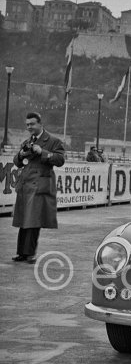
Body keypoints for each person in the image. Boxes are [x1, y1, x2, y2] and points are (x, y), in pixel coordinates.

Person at [12, 112, 65, 263]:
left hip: (39, 184)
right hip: (26, 184)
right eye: (27, 124)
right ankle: (21, 252)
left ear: (40, 124)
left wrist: (43, 152)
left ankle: (29, 253)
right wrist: (21, 155)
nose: (29, 127)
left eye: (32, 124)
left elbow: (60, 160)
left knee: (33, 220)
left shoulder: (53, 141)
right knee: (24, 219)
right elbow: (17, 161)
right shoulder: (27, 141)